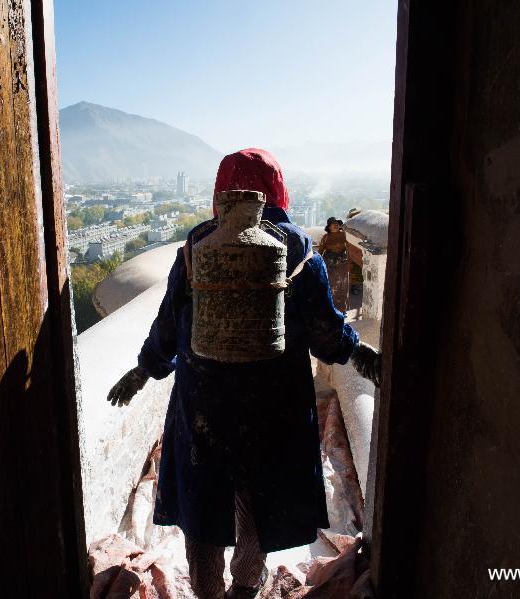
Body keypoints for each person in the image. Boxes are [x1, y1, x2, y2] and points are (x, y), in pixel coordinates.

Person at [107, 148, 381, 599]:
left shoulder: (196, 247)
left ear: (222, 193)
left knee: (204, 498)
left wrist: (143, 371)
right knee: (255, 497)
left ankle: (207, 589)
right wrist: (363, 356)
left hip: (203, 403)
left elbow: (169, 328)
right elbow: (327, 337)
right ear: (276, 191)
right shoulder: (299, 250)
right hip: (275, 406)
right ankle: (246, 585)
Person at [316, 216, 350, 310]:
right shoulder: (326, 237)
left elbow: (349, 250)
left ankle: (342, 308)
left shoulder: (345, 235)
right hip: (329, 266)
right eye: (333, 224)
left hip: (342, 265)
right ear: (329, 227)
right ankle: (331, 308)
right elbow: (320, 251)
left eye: (337, 224)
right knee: (331, 286)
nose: (335, 225)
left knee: (343, 286)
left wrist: (349, 265)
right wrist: (318, 265)